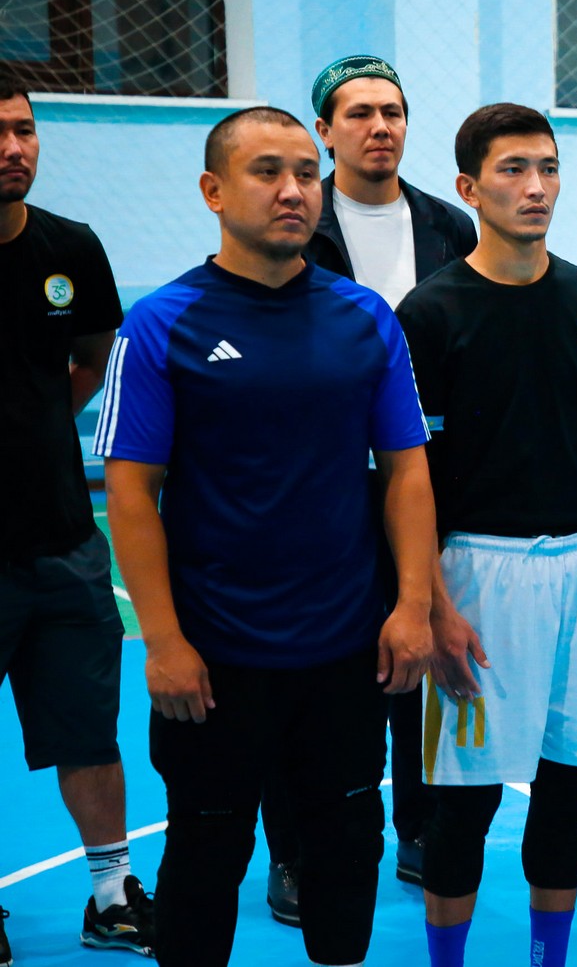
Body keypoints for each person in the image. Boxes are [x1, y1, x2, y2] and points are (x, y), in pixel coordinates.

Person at [96, 106, 437, 966]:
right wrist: (163, 641)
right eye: (267, 172)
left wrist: (412, 606)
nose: (293, 190)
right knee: (206, 855)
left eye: (306, 173)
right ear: (213, 191)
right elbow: (131, 494)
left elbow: (406, 471)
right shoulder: (162, 322)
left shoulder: (366, 317)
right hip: (213, 660)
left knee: (346, 853)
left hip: (346, 651)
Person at [398, 103, 577, 967]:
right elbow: (409, 476)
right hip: (477, 573)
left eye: (548, 167)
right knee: (464, 805)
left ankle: (549, 960)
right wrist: (431, 602)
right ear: (468, 188)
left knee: (566, 795)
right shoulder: (430, 311)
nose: (536, 186)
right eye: (513, 169)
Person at [252, 56, 477, 925]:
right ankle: (295, 850)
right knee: (309, 674)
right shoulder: (296, 226)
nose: (380, 127)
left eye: (393, 111)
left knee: (419, 653)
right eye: (358, 113)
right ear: (325, 130)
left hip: (424, 475)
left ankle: (419, 825)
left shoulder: (449, 225)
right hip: (323, 484)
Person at [0, 74, 156, 959]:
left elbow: (94, 356)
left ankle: (111, 894)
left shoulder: (71, 247)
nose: (12, 148)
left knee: (90, 730)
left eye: (23, 130)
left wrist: (33, 422)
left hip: (63, 543)